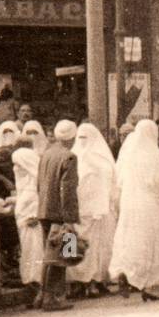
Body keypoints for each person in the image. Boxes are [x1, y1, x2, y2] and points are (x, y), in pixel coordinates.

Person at [109, 119, 159, 301]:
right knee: (150, 244)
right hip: (149, 205)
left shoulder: (129, 152)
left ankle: (125, 274)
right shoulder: (153, 154)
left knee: (129, 240)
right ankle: (147, 286)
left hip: (129, 203)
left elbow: (118, 179)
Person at [36, 119, 80, 311]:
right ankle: (52, 297)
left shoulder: (47, 154)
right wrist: (69, 219)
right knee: (61, 255)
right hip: (61, 213)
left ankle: (42, 294)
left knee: (49, 254)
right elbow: (67, 189)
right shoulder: (69, 156)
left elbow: (39, 183)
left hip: (45, 210)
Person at [69, 122, 117, 297]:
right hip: (78, 212)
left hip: (101, 212)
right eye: (79, 137)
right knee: (74, 247)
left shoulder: (103, 160)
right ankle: (77, 283)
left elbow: (113, 184)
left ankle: (98, 281)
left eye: (85, 138)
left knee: (101, 248)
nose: (82, 141)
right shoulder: (72, 157)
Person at [12, 137, 45, 300]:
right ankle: (34, 287)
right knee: (29, 249)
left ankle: (38, 286)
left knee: (33, 249)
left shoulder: (21, 156)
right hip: (25, 207)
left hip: (29, 209)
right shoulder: (31, 171)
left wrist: (34, 212)